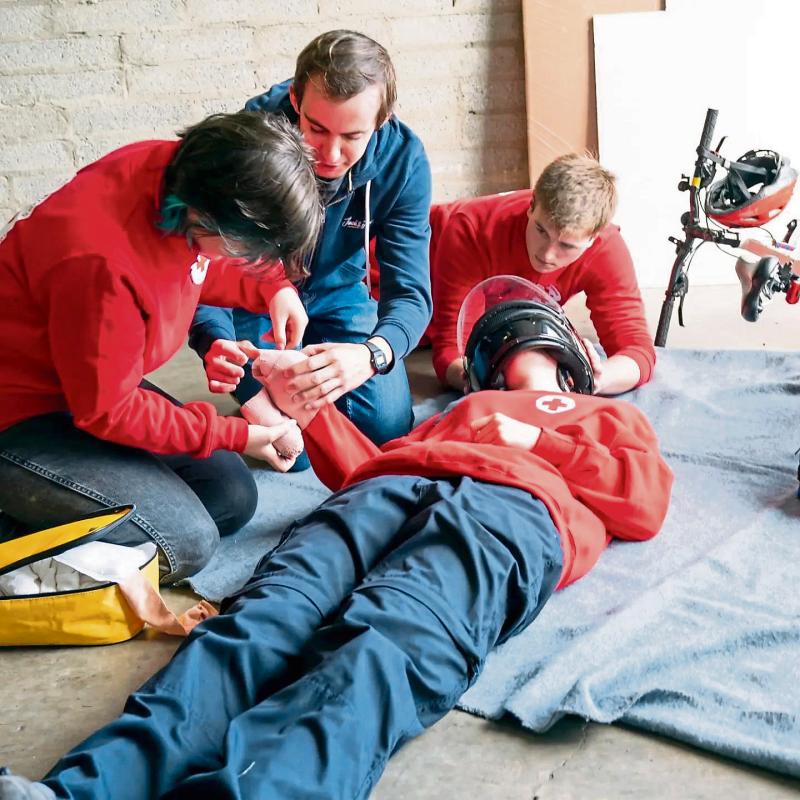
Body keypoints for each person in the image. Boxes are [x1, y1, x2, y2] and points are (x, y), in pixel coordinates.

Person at [1, 278, 673, 799]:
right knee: (258, 624)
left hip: (514, 509)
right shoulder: (461, 409)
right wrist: (305, 406)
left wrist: (540, 439)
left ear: (570, 355)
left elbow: (642, 503)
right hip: (381, 490)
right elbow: (367, 465)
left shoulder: (608, 419)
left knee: (384, 644)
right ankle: (78, 790)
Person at [0, 111, 322, 582]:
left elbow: (191, 264)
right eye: (248, 251)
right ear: (213, 218)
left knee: (230, 497)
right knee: (185, 542)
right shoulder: (102, 262)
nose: (249, 261)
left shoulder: (178, 173)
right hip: (23, 411)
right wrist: (233, 433)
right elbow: (109, 411)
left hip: (83, 378)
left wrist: (273, 288)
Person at [189, 29, 433, 455]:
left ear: (382, 120)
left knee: (386, 427)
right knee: (290, 447)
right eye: (316, 129)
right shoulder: (250, 138)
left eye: (353, 136)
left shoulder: (404, 160)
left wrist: (371, 355)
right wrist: (215, 341)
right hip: (255, 291)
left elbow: (411, 293)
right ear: (297, 101)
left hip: (339, 292)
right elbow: (198, 264)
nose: (331, 155)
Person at [428, 153, 656, 396]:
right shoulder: (471, 230)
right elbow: (450, 348)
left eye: (567, 246)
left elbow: (638, 351)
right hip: (392, 272)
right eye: (541, 231)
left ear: (593, 238)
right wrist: (476, 379)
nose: (548, 254)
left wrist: (596, 378)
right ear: (532, 206)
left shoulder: (607, 248)